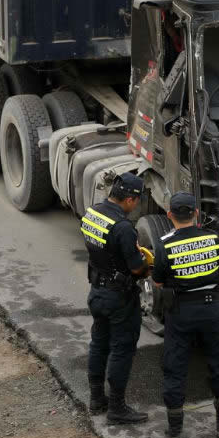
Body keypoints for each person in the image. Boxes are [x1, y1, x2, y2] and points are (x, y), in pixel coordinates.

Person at [150, 193, 219, 438]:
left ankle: (174, 429)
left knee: (175, 367)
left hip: (181, 313)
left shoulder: (165, 245)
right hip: (212, 310)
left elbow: (157, 281)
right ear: (196, 213)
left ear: (170, 216)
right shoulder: (215, 239)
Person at [80, 172, 152, 425]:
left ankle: (97, 398)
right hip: (119, 298)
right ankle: (118, 407)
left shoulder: (93, 213)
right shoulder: (123, 228)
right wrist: (148, 265)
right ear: (131, 200)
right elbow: (136, 268)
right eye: (138, 200)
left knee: (99, 344)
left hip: (97, 292)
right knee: (122, 350)